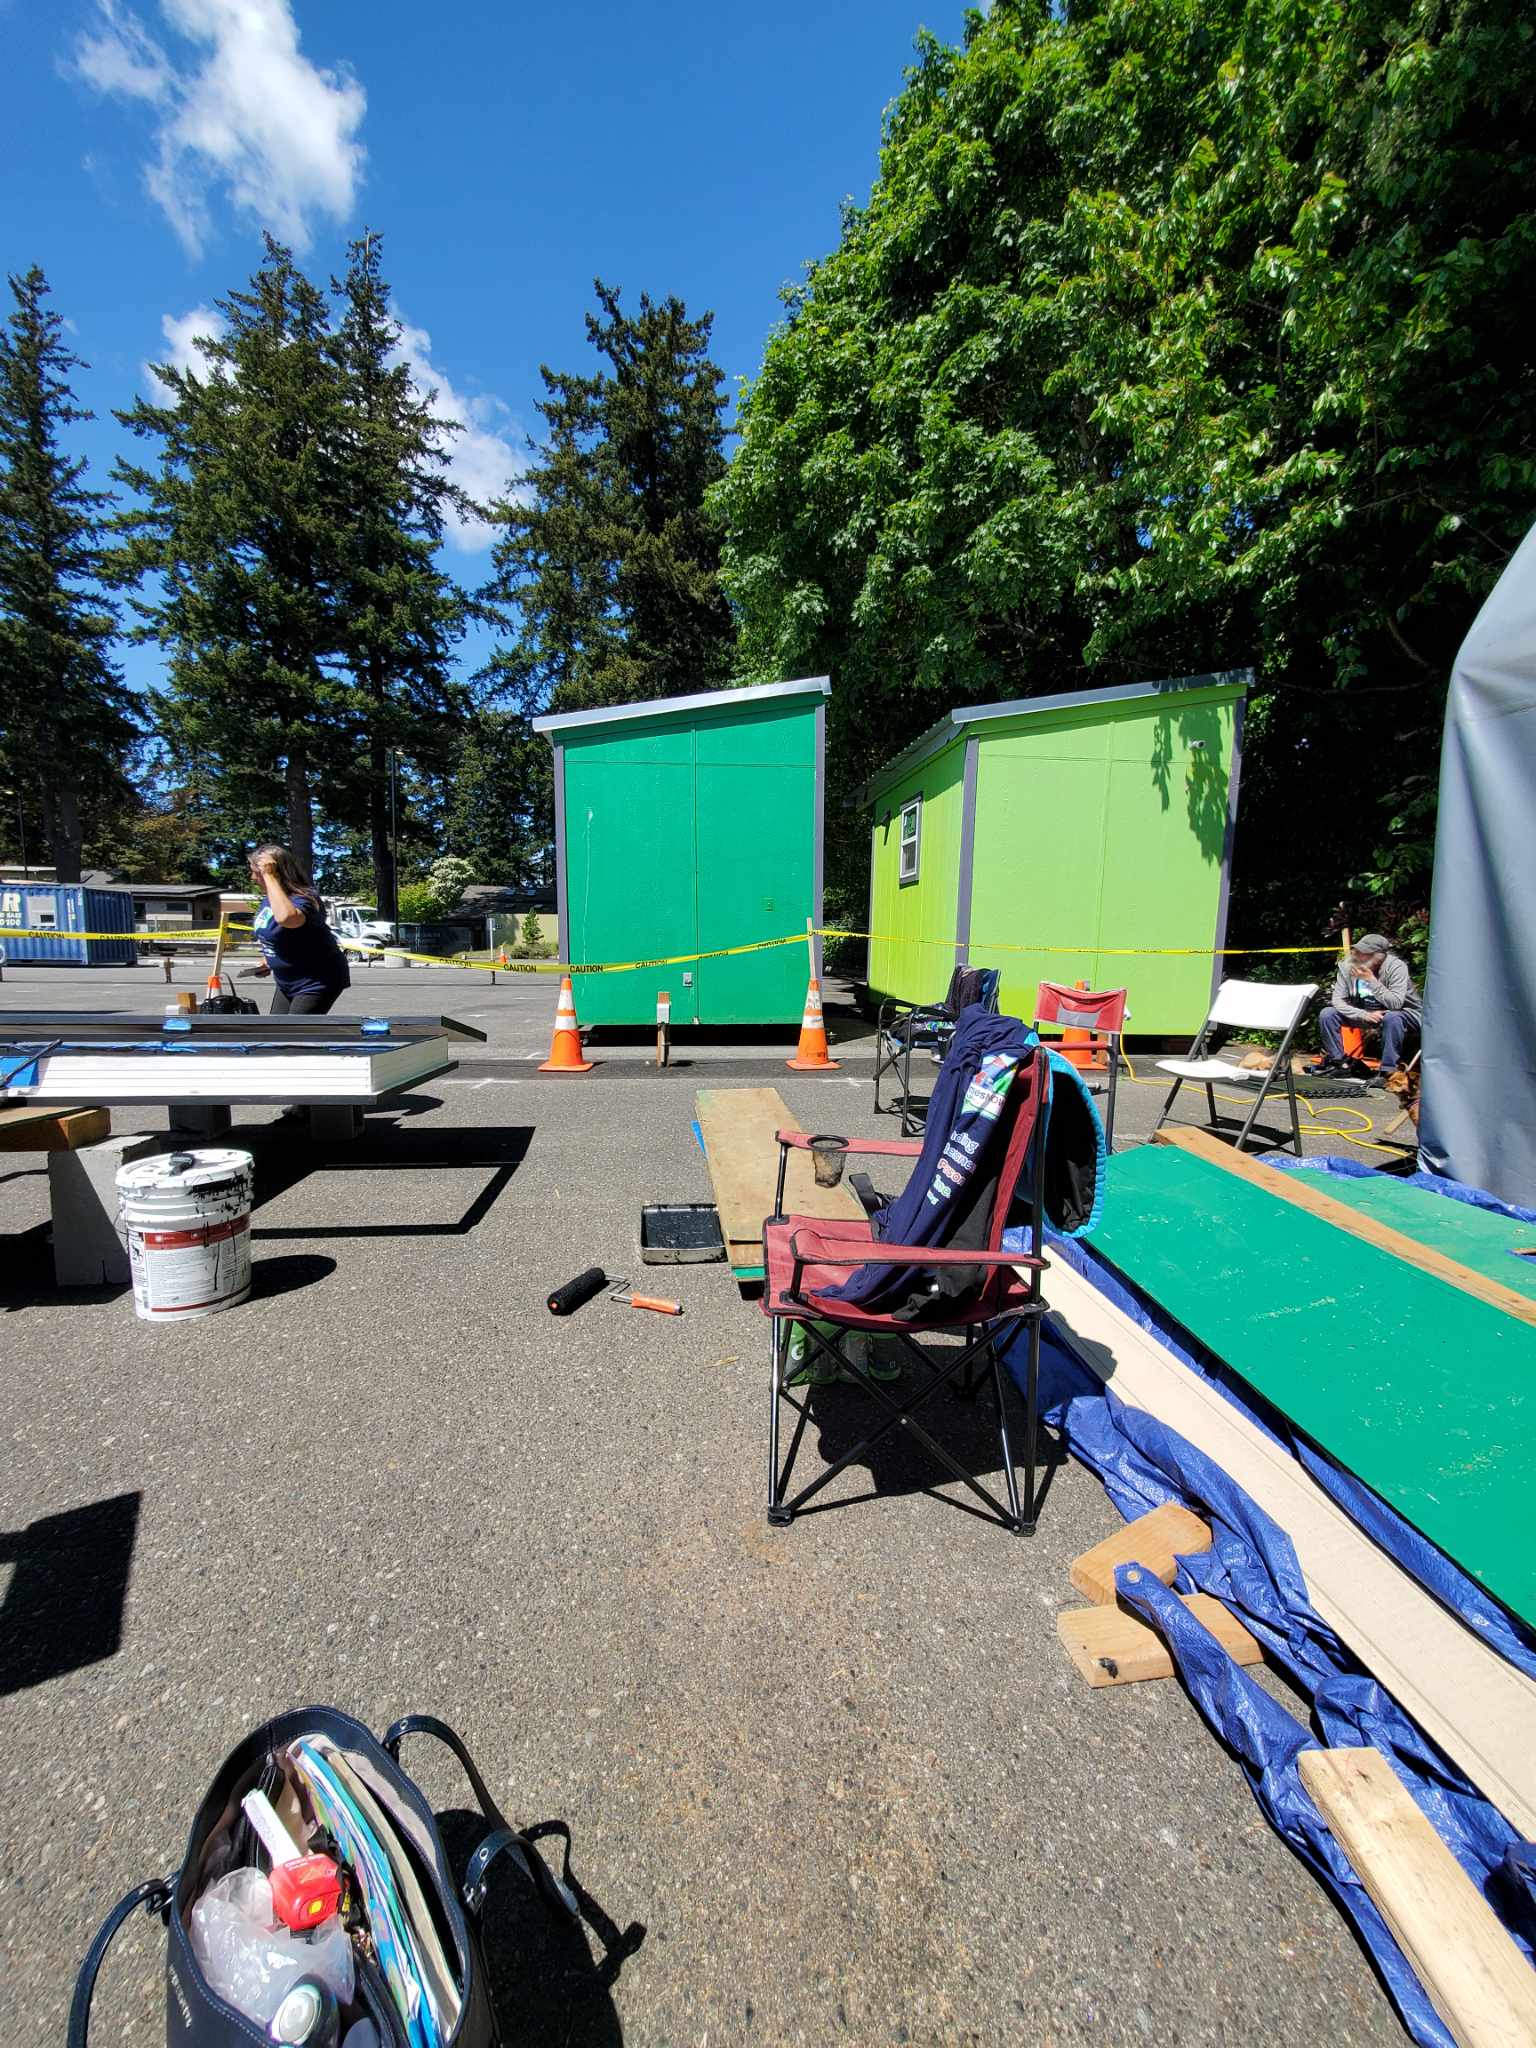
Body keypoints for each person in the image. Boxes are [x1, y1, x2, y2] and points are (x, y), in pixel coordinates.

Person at [248, 845, 351, 1016]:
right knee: (275, 1028)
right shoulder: (270, 899)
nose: (253, 878)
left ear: (276, 873)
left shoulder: (305, 898)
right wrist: (269, 960)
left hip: (316, 980)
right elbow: (279, 935)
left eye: (257, 873)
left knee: (294, 1030)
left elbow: (287, 919)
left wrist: (269, 876)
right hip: (286, 981)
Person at [1309, 933, 1421, 1083]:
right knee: (1327, 1013)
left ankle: (1388, 1071)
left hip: (1403, 1013)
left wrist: (1371, 980)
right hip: (1367, 1013)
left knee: (1392, 1017)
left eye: (1365, 953)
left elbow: (1396, 1004)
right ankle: (1339, 1064)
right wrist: (1363, 1014)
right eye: (1358, 951)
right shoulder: (1347, 966)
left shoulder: (1396, 967)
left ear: (1380, 956)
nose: (1359, 956)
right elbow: (1338, 1000)